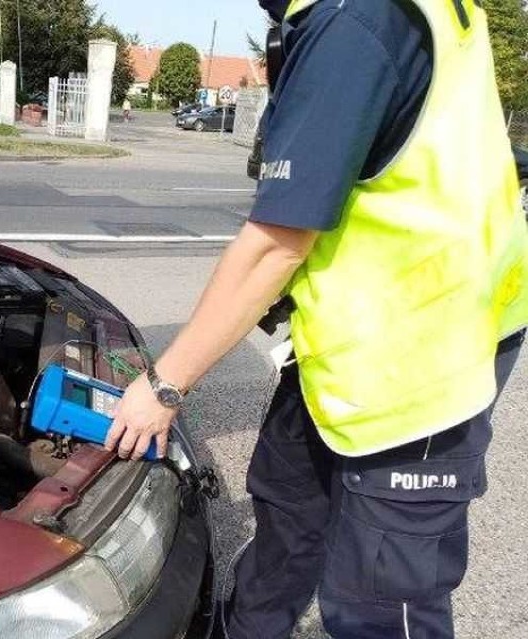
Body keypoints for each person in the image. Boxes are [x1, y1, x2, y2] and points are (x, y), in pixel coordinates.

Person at [104, 0, 528, 637]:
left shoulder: (358, 18)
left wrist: (165, 386)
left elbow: (277, 243)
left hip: (422, 361)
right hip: (349, 339)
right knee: (287, 513)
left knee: (377, 606)